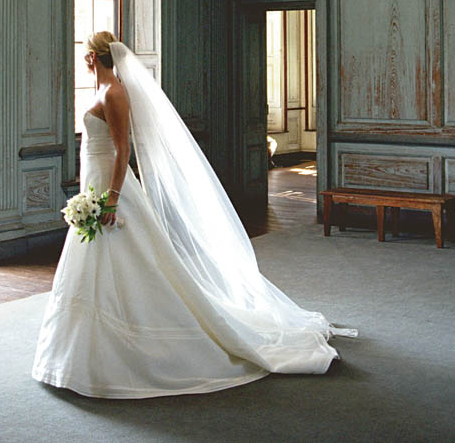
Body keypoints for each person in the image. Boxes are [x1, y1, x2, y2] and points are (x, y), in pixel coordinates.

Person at [31, 31, 356, 399]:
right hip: (94, 184)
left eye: (86, 54)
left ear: (94, 57)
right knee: (91, 260)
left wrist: (111, 199)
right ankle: (79, 352)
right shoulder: (101, 92)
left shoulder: (115, 94)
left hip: (111, 190)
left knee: (135, 260)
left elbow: (123, 151)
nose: (83, 59)